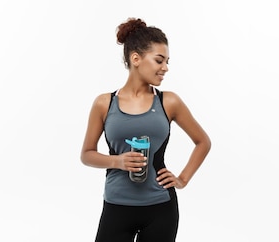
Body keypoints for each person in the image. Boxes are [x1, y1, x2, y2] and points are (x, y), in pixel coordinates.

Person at [80, 17, 212, 242]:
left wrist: (182, 179)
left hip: (161, 208)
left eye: (167, 61)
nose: (165, 68)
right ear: (136, 58)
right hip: (116, 206)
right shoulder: (104, 103)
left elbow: (203, 142)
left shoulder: (169, 102)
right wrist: (118, 161)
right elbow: (86, 155)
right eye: (159, 60)